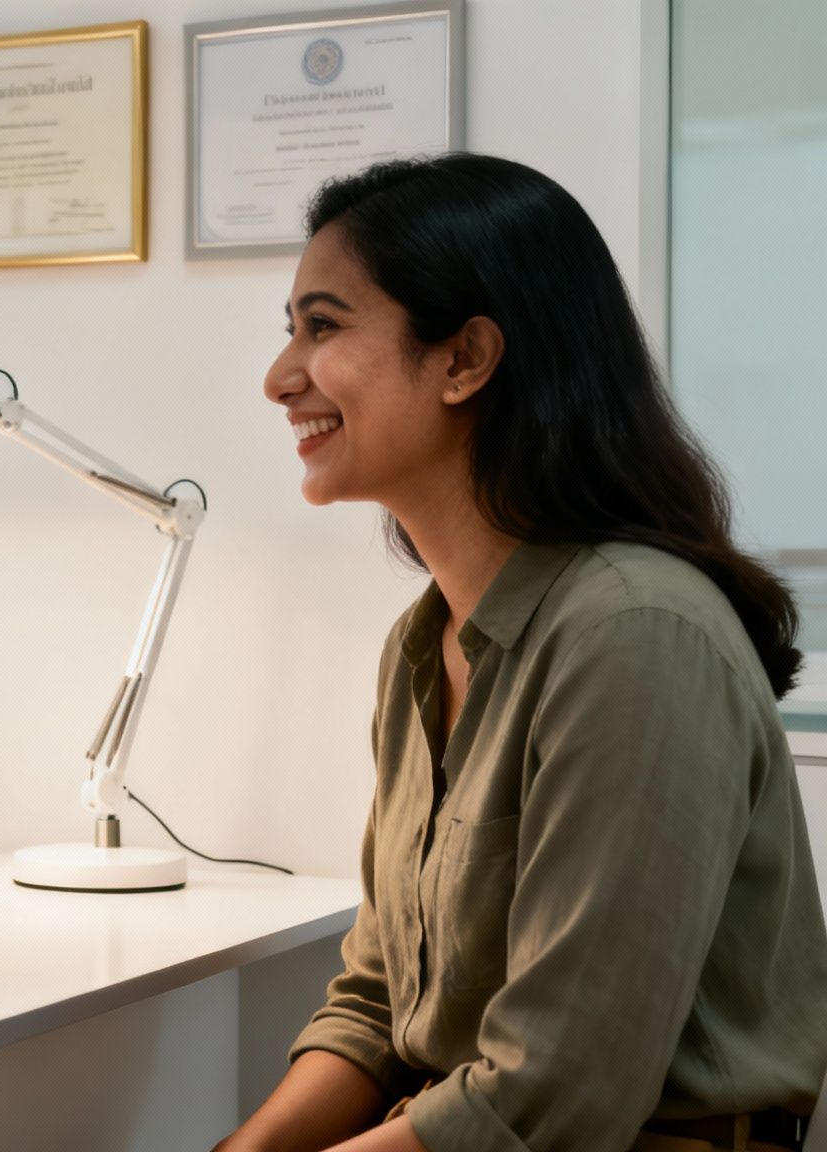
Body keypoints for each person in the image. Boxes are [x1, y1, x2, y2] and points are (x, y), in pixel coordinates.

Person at [221, 154, 827, 1152]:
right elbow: (377, 1003)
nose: (279, 378)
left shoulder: (633, 636)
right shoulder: (423, 643)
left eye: (320, 327)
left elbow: (553, 1092)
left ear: (464, 359)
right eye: (289, 332)